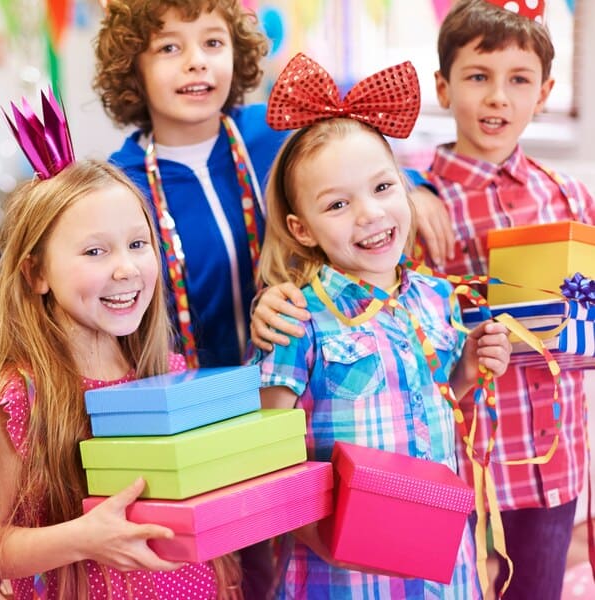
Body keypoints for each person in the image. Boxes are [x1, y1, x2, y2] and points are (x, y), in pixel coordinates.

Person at [250, 53, 512, 599]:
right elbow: (270, 459)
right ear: (302, 229)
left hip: (441, 566)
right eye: (338, 204)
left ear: (405, 186)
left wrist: (465, 370)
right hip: (342, 574)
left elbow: (432, 399)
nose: (370, 214)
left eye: (383, 188)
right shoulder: (298, 318)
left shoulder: (438, 297)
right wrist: (326, 540)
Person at [0, 145, 241, 596]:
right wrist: (83, 538)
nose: (125, 268)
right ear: (35, 274)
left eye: (138, 244)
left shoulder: (170, 375)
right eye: (96, 251)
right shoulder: (14, 398)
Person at [94, 3, 307, 593]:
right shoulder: (117, 183)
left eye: (212, 42)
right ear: (132, 68)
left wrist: (417, 192)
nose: (196, 62)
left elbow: (359, 168)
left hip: (296, 409)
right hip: (186, 431)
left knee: (294, 569)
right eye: (169, 48)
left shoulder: (279, 139)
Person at [405, 1, 595, 598]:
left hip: (552, 461)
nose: (498, 98)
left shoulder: (569, 197)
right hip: (461, 461)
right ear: (443, 86)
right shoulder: (416, 203)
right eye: (478, 77)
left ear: (544, 93)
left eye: (518, 81)